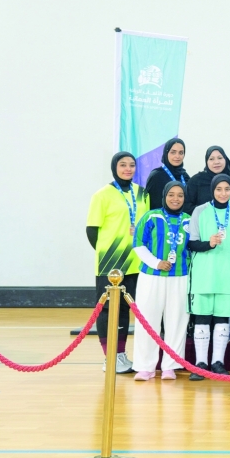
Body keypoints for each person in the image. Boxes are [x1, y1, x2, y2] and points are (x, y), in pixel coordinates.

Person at [86, 151, 147, 373]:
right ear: (115, 168)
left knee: (125, 310)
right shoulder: (101, 195)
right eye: (123, 165)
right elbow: (92, 230)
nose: (128, 169)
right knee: (107, 310)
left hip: (136, 263)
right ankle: (109, 358)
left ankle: (121, 355)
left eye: (132, 165)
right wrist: (109, 252)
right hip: (110, 264)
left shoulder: (142, 194)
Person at [186, 174, 230, 379]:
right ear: (212, 190)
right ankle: (200, 363)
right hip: (204, 275)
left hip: (229, 275)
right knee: (202, 318)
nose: (223, 193)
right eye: (219, 189)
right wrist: (209, 243)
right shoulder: (200, 211)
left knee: (223, 319)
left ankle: (217, 362)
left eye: (227, 189)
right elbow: (191, 243)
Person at [131, 181, 192, 380]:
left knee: (177, 321)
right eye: (171, 194)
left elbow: (195, 248)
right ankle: (145, 366)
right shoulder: (151, 216)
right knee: (147, 320)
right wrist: (156, 263)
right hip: (151, 277)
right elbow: (138, 244)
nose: (176, 199)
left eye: (180, 195)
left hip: (180, 277)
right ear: (164, 195)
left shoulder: (189, 221)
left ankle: (170, 366)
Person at [184, 146, 230, 215]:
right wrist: (206, 214)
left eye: (220, 158)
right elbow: (186, 206)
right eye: (211, 159)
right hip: (202, 223)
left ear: (225, 159)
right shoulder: (196, 181)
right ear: (206, 161)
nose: (216, 162)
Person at [144, 138, 187, 210]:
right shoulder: (156, 176)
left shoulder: (185, 176)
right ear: (166, 153)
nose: (177, 156)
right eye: (173, 152)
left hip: (182, 219)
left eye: (181, 153)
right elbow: (151, 205)